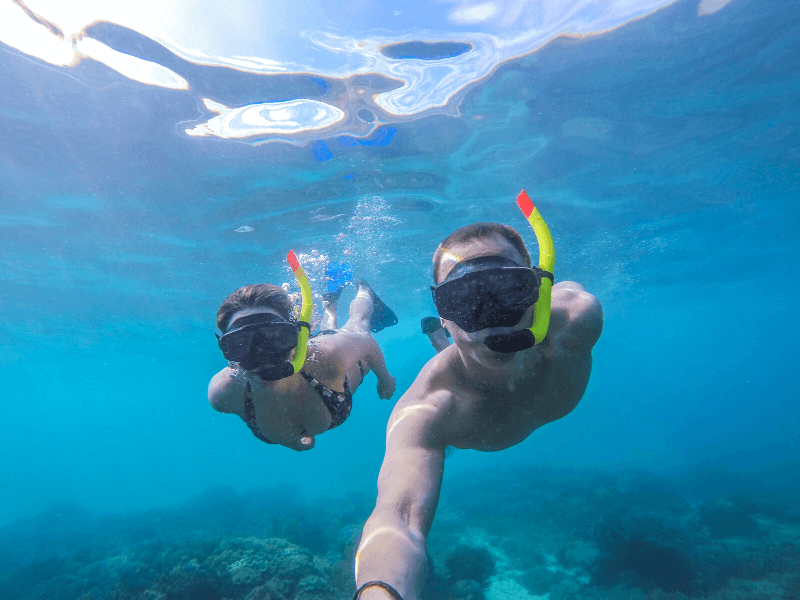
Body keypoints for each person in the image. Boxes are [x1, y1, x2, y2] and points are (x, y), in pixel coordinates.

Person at [353, 192, 603, 600]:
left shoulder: (578, 319)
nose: (491, 321)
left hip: (467, 350)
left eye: (508, 292)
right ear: (445, 311)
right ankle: (443, 336)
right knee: (457, 363)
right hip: (457, 375)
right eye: (466, 301)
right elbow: (396, 517)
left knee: (470, 351)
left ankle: (446, 334)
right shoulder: (429, 409)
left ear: (537, 293)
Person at [208, 254, 398, 452]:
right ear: (226, 350)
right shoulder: (223, 394)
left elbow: (367, 343)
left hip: (343, 367)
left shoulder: (328, 356)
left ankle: (364, 288)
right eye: (241, 344)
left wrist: (385, 378)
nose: (262, 357)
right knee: (326, 330)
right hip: (323, 360)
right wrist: (294, 442)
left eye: (277, 338)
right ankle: (330, 305)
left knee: (359, 324)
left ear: (298, 337)